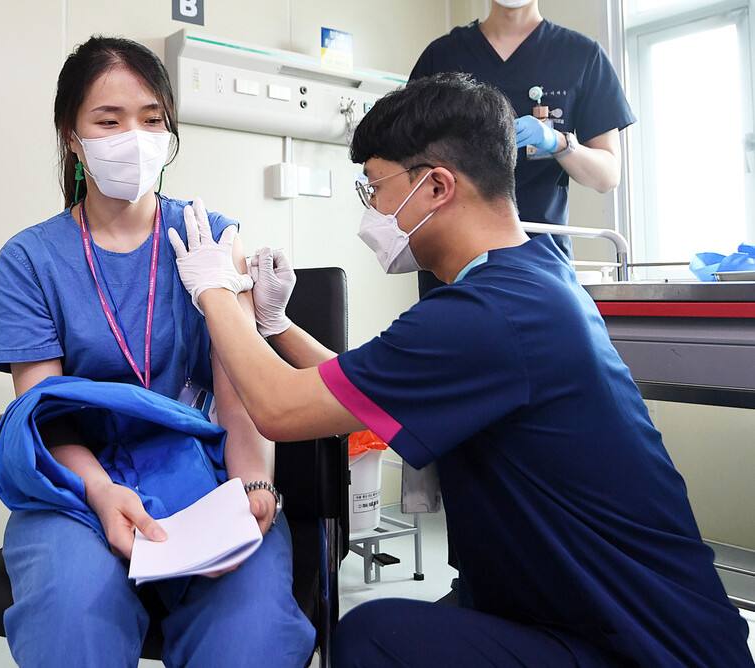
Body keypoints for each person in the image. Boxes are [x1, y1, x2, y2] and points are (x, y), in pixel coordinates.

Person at [167, 73, 754, 666]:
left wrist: (215, 290)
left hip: (647, 649)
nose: (371, 208)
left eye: (374, 186)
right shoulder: (528, 277)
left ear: (436, 187)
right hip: (587, 614)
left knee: (373, 639)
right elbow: (364, 388)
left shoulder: (485, 316)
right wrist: (275, 326)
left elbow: (280, 409)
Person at [0, 35, 314, 668]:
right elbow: (43, 412)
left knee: (252, 637)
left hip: (202, 476)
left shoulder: (211, 238)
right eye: (109, 120)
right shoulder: (30, 259)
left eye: (152, 119)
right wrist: (102, 494)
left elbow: (240, 398)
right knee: (72, 618)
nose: (134, 136)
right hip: (78, 486)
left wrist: (252, 484)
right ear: (71, 136)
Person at [411, 0, 636, 295]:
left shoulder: (581, 56)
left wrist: (558, 142)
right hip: (453, 259)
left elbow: (608, 175)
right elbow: (406, 158)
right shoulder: (442, 56)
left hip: (539, 257)